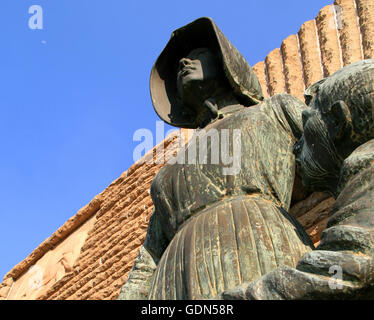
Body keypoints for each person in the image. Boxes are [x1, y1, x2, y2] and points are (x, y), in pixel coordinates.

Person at [118, 17, 314, 300]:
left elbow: (336, 153)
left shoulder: (274, 113)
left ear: (226, 62)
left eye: (197, 56)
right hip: (175, 276)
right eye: (176, 69)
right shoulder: (172, 170)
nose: (184, 63)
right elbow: (148, 258)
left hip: (255, 245)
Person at [221, 59, 374, 300]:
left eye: (305, 127)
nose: (295, 147)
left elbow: (351, 267)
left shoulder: (368, 165)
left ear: (337, 122)